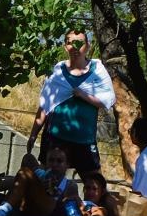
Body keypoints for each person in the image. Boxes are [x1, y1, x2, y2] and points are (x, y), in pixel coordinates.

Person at [27, 29, 116, 176]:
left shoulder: (98, 70)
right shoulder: (57, 72)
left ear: (87, 46)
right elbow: (45, 105)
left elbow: (108, 99)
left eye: (80, 43)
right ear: (65, 46)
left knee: (95, 182)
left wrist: (83, 95)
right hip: (55, 139)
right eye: (70, 43)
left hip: (85, 141)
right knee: (48, 183)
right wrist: (33, 135)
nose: (75, 47)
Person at [0, 148, 82, 216]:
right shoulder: (39, 175)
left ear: (67, 165)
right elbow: (14, 181)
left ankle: (0, 213)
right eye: (51, 160)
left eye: (59, 161)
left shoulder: (70, 185)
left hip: (48, 214)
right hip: (26, 210)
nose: (54, 164)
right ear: (46, 163)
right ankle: (1, 212)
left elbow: (70, 209)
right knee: (22, 174)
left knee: (24, 172)